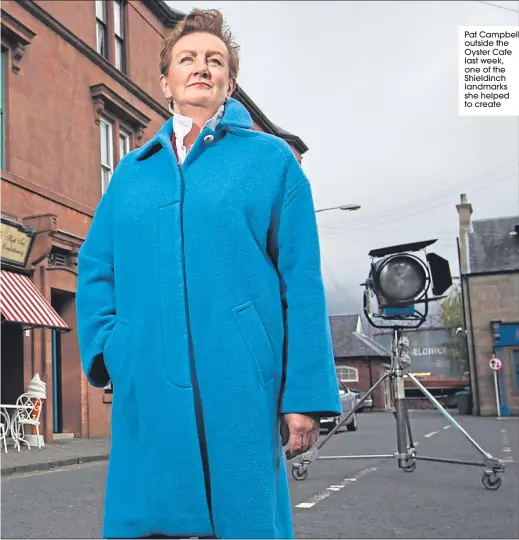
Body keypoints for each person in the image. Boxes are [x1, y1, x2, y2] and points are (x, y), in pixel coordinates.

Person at [76, 8, 341, 540]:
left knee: (242, 519)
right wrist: (111, 349)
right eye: (188, 58)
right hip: (147, 378)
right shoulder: (132, 172)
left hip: (242, 380)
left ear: (230, 82)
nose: (202, 68)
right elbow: (96, 265)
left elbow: (302, 285)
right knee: (148, 520)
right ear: (164, 81)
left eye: (215, 60)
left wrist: (304, 397)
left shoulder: (272, 162)